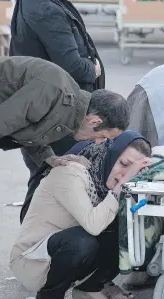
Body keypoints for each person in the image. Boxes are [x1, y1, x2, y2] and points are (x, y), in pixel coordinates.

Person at [0, 56, 129, 299]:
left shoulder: (69, 105)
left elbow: (26, 131)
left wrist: (49, 157)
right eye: (103, 137)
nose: (99, 144)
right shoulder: (53, 91)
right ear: (94, 120)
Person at [10, 131, 152, 299]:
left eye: (133, 170)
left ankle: (89, 290)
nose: (124, 174)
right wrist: (122, 185)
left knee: (125, 228)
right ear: (109, 155)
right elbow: (93, 224)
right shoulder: (71, 172)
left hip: (66, 253)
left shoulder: (103, 180)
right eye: (123, 164)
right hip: (33, 261)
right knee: (82, 240)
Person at [10, 0, 105, 181]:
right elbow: (73, 66)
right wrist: (92, 70)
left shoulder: (35, 4)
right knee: (58, 182)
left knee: (47, 183)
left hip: (48, 111)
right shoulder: (45, 9)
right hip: (59, 115)